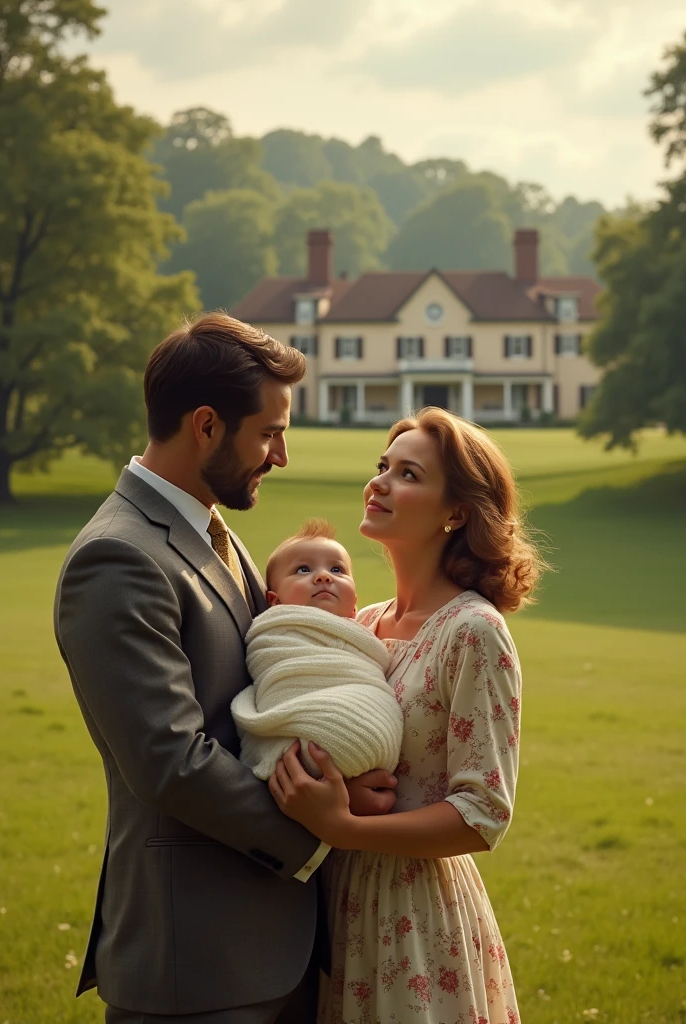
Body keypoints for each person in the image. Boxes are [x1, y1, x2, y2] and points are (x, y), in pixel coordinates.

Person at [53, 312, 397, 1024]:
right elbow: (169, 758)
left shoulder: (217, 532)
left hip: (283, 947)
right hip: (197, 965)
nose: (281, 455)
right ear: (206, 425)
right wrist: (323, 824)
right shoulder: (116, 558)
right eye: (269, 433)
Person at [268, 407, 544, 1024]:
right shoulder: (360, 625)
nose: (381, 483)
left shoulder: (474, 633)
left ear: (456, 513)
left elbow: (482, 816)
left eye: (408, 474)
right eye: (382, 467)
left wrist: (346, 827)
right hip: (332, 907)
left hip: (413, 924)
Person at [231, 519, 404, 782]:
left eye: (337, 569)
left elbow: (367, 675)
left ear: (354, 606)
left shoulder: (361, 636)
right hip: (307, 743)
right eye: (303, 569)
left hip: (370, 728)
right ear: (275, 602)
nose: (323, 576)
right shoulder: (275, 633)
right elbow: (275, 674)